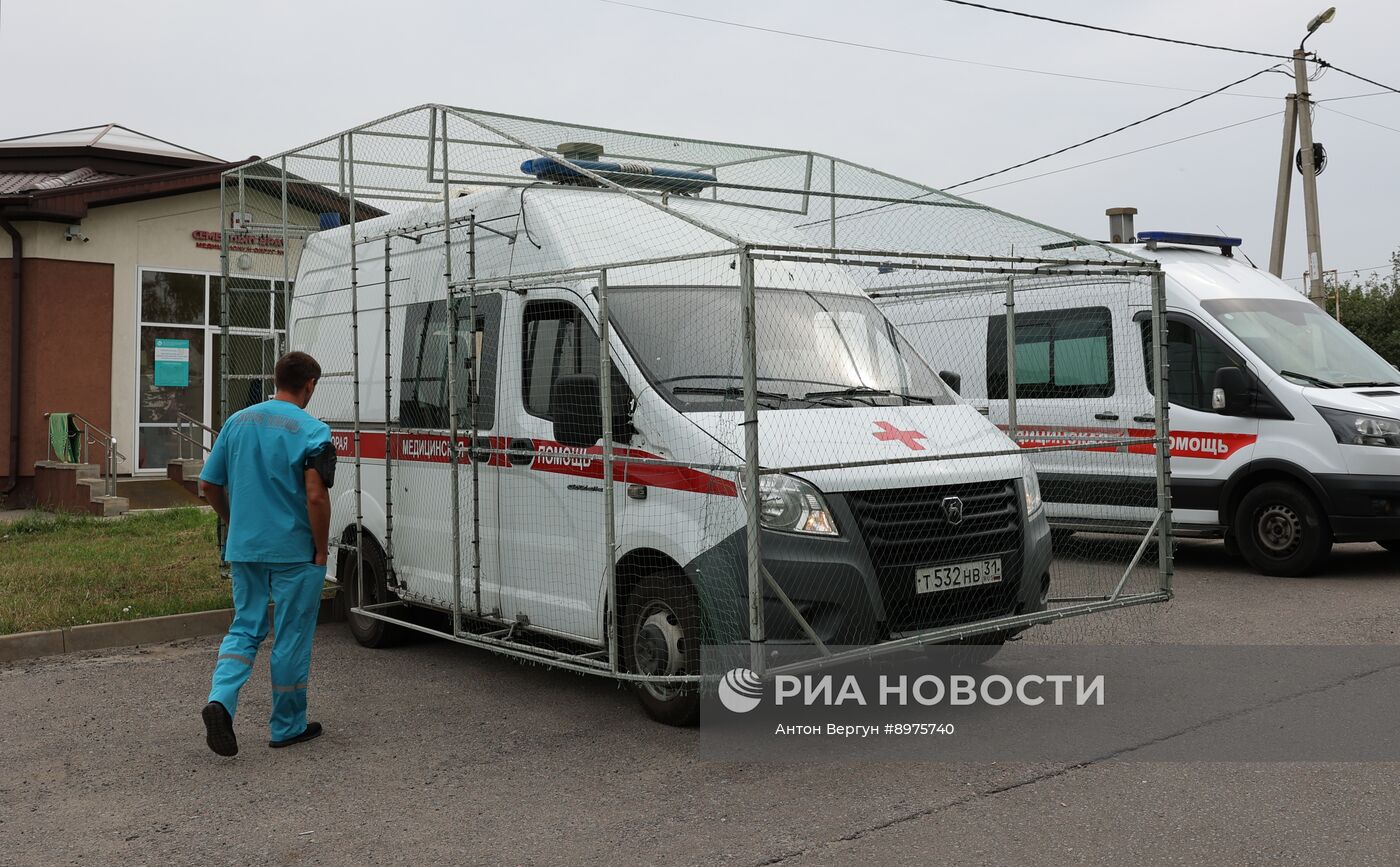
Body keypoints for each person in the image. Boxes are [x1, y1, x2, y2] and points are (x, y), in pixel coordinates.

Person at [198, 351, 335, 756]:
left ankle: (220, 700)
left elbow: (208, 484)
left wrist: (234, 521)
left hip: (246, 547)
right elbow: (316, 497)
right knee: (291, 637)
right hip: (296, 552)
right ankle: (287, 726)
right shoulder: (313, 430)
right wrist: (323, 549)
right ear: (309, 385)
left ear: (276, 379)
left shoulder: (237, 422)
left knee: (244, 628)